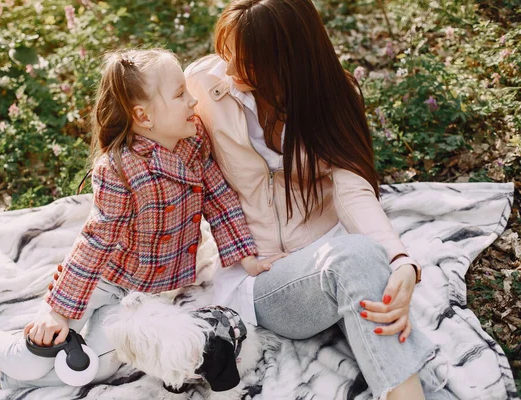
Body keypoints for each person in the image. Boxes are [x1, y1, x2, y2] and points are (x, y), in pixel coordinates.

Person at [0, 48, 284, 400]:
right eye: (180, 94)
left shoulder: (193, 142)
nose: (193, 102)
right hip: (103, 280)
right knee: (32, 359)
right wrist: (59, 312)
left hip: (144, 295)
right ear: (144, 117)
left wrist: (245, 255)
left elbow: (218, 198)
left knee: (94, 366)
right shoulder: (120, 168)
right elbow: (95, 242)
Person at [184, 0, 451, 399]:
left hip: (335, 254)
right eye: (227, 54)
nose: (232, 69)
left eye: (247, 62)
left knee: (362, 265)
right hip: (262, 278)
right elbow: (165, 157)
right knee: (356, 261)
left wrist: (399, 260)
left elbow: (352, 188)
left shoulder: (331, 96)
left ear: (288, 62)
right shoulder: (204, 86)